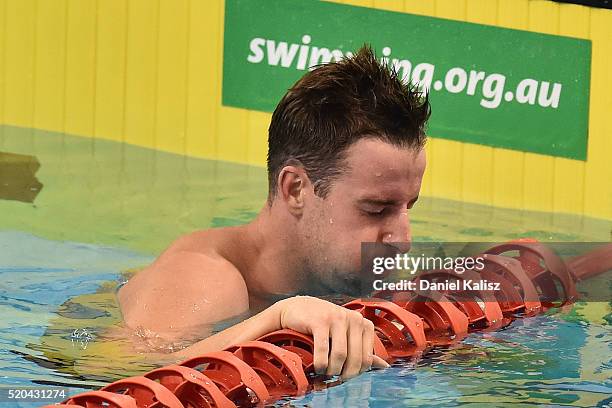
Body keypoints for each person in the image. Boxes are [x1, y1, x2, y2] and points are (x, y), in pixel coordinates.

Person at [118, 45, 431, 380]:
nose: (403, 239)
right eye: (376, 209)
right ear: (295, 190)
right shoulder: (207, 279)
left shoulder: (343, 272)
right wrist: (277, 318)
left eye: (408, 206)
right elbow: (118, 376)